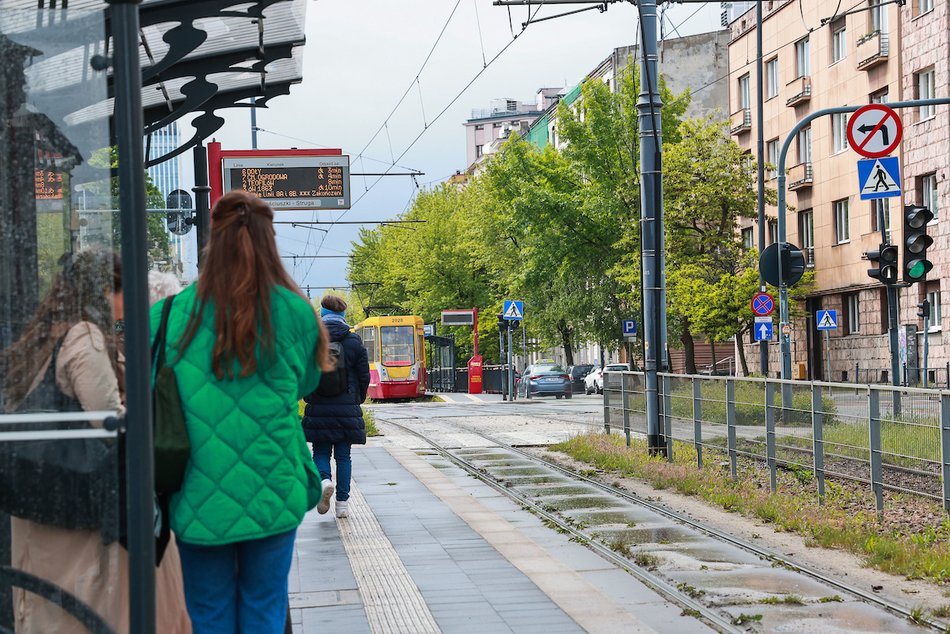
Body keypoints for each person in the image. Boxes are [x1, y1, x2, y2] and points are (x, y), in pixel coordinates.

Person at [152, 190, 330, 634]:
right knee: (265, 607)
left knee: (207, 613)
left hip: (194, 489)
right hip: (273, 482)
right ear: (268, 239)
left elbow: (149, 385)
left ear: (214, 240)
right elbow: (308, 383)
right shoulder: (294, 311)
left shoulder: (168, 313)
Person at [1, 249, 190, 633]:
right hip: (77, 497)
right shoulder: (84, 334)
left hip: (40, 499)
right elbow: (106, 419)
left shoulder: (44, 333)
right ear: (106, 289)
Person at [302, 295, 370, 519]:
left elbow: (304, 374)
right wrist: (356, 399)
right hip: (346, 407)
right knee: (344, 456)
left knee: (320, 451)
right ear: (343, 315)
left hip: (319, 407)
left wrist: (309, 395)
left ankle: (324, 481)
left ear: (322, 314)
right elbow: (364, 376)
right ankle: (342, 504)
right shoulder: (353, 342)